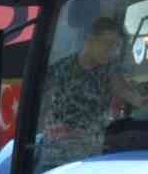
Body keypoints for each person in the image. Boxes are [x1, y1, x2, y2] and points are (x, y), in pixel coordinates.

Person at [39, 15, 148, 165]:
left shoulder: (110, 72)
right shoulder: (60, 69)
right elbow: (39, 107)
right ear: (90, 40)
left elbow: (129, 93)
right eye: (108, 44)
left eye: (116, 46)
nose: (113, 51)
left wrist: (139, 98)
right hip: (54, 155)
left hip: (88, 158)